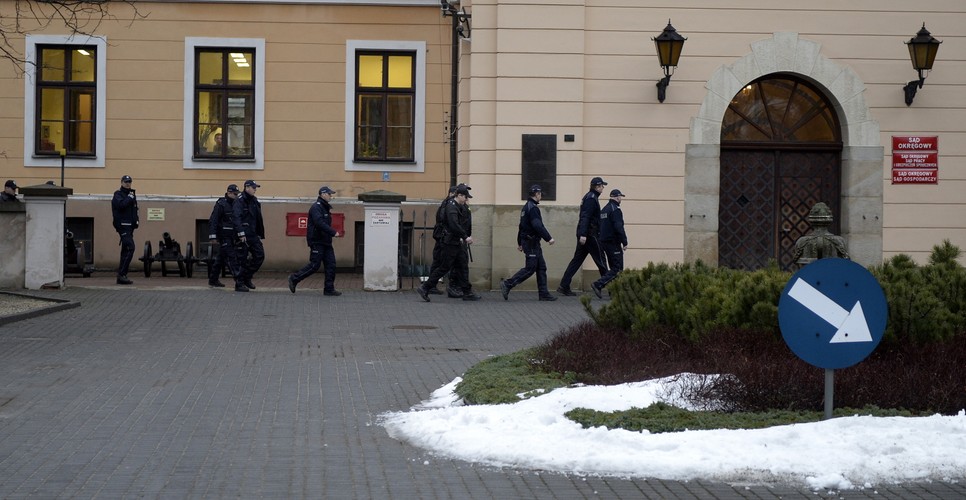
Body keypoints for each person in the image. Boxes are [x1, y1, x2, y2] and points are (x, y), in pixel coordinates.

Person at [416, 185, 480, 302]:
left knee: (462, 266)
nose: (466, 200)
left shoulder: (458, 206)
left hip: (457, 242)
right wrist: (465, 237)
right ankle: (425, 287)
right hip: (450, 242)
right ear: (459, 195)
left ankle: (467, 292)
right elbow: (454, 225)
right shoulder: (451, 206)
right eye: (465, 197)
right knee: (444, 267)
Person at [500, 184, 557, 301]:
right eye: (540, 194)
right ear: (537, 194)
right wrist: (549, 238)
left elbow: (521, 226)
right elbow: (537, 225)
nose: (541, 196)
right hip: (531, 243)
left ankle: (544, 294)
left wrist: (519, 242)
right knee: (530, 268)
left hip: (531, 242)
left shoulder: (526, 207)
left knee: (541, 267)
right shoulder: (533, 208)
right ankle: (508, 284)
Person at [557, 176, 609, 295]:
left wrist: (582, 233)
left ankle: (564, 285)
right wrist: (583, 234)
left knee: (576, 261)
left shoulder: (589, 196)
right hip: (590, 235)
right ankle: (608, 286)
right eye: (601, 186)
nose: (603, 188)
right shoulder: (591, 198)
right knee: (601, 260)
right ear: (596, 187)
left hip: (586, 234)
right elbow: (586, 217)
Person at [288, 186, 342, 296]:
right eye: (329, 194)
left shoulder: (325, 207)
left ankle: (329, 289)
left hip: (326, 241)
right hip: (317, 241)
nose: (331, 196)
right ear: (323, 194)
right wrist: (333, 232)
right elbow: (319, 223)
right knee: (314, 265)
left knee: (331, 265)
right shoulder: (316, 207)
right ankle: (294, 278)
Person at [591, 189, 628, 299]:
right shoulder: (615, 210)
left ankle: (613, 293)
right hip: (613, 243)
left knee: (613, 267)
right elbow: (618, 227)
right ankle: (598, 284)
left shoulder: (605, 209)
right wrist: (624, 241)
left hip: (604, 242)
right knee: (617, 268)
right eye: (620, 197)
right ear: (617, 197)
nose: (621, 199)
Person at [207, 184, 243, 288]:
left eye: (237, 194)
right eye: (235, 194)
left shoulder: (236, 204)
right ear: (229, 193)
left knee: (221, 258)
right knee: (232, 258)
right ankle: (239, 282)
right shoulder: (221, 204)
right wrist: (213, 236)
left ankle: (213, 280)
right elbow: (214, 220)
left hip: (232, 236)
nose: (237, 196)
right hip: (224, 236)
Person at [232, 179, 265, 292]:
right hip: (243, 235)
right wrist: (241, 233)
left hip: (253, 234)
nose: (255, 189)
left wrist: (259, 233)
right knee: (242, 259)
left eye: (256, 187)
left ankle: (247, 277)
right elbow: (236, 217)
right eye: (253, 187)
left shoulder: (254, 201)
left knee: (260, 255)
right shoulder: (240, 201)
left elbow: (258, 218)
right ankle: (239, 283)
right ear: (247, 187)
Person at [425, 185, 459, 296]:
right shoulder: (448, 204)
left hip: (441, 235)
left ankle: (431, 285)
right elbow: (445, 221)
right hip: (443, 237)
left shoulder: (445, 203)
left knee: (439, 261)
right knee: (440, 262)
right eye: (455, 194)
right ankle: (431, 285)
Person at [111, 175, 139, 285]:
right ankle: (122, 274)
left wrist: (136, 221)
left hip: (130, 227)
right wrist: (130, 198)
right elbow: (121, 205)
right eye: (126, 181)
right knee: (130, 248)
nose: (128, 184)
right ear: (121, 182)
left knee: (125, 251)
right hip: (123, 226)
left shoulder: (131, 195)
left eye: (129, 182)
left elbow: (134, 210)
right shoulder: (118, 194)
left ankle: (122, 276)